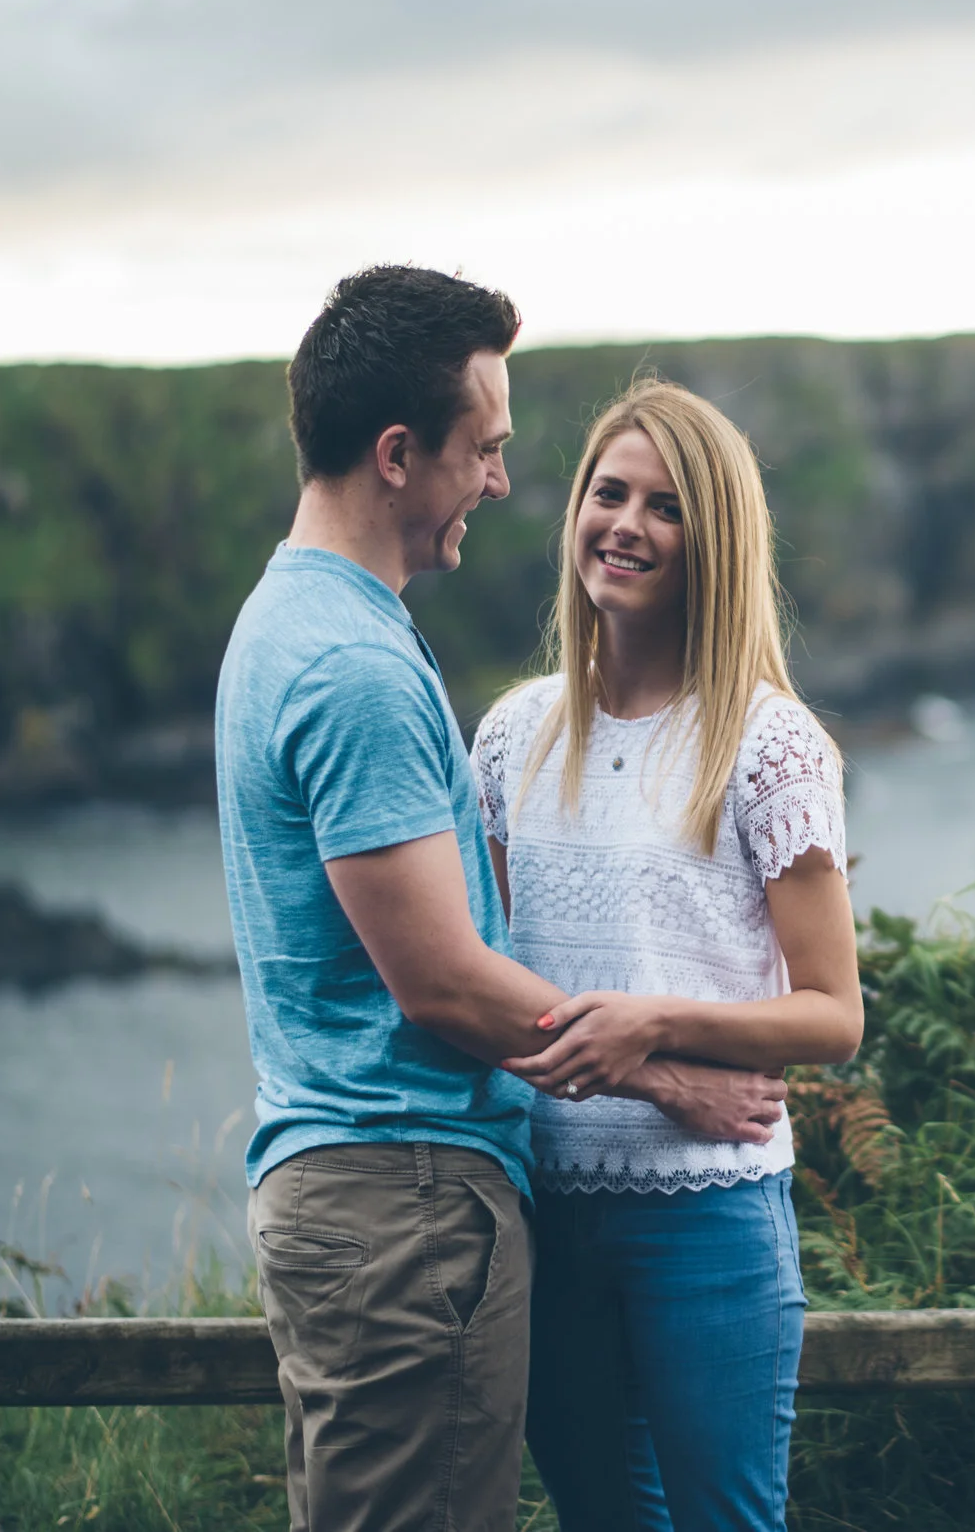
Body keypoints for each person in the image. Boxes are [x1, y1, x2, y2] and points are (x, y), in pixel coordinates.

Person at [216, 269, 787, 1532]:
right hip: (405, 1203)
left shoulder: (287, 619)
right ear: (399, 454)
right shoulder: (357, 664)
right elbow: (447, 981)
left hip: (353, 1191)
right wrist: (671, 1076)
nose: (501, 483)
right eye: (486, 449)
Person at [472, 378, 863, 1532]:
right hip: (540, 1204)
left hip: (708, 1209)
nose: (626, 524)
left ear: (714, 540)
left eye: (665, 505)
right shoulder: (510, 734)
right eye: (608, 492)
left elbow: (833, 1013)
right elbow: (488, 979)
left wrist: (657, 1023)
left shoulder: (769, 741)